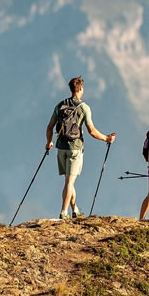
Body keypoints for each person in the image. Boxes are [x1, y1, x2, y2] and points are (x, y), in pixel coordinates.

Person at [44, 76, 114, 220]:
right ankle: (64, 212)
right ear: (81, 88)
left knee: (69, 181)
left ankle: (75, 209)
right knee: (70, 182)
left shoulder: (60, 105)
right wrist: (106, 138)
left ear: (71, 89)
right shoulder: (84, 108)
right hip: (75, 149)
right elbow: (92, 131)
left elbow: (50, 127)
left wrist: (49, 142)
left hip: (61, 147)